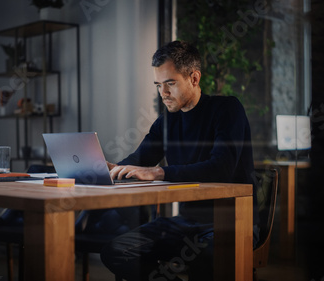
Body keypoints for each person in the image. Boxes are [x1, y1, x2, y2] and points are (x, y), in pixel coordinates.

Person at [100, 40, 260, 281]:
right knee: (116, 250)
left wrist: (158, 173)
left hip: (231, 221)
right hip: (186, 223)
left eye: (170, 84)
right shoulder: (166, 122)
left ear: (194, 78)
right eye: (158, 85)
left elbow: (221, 168)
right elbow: (138, 160)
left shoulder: (227, 109)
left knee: (205, 257)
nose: (163, 93)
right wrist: (112, 169)